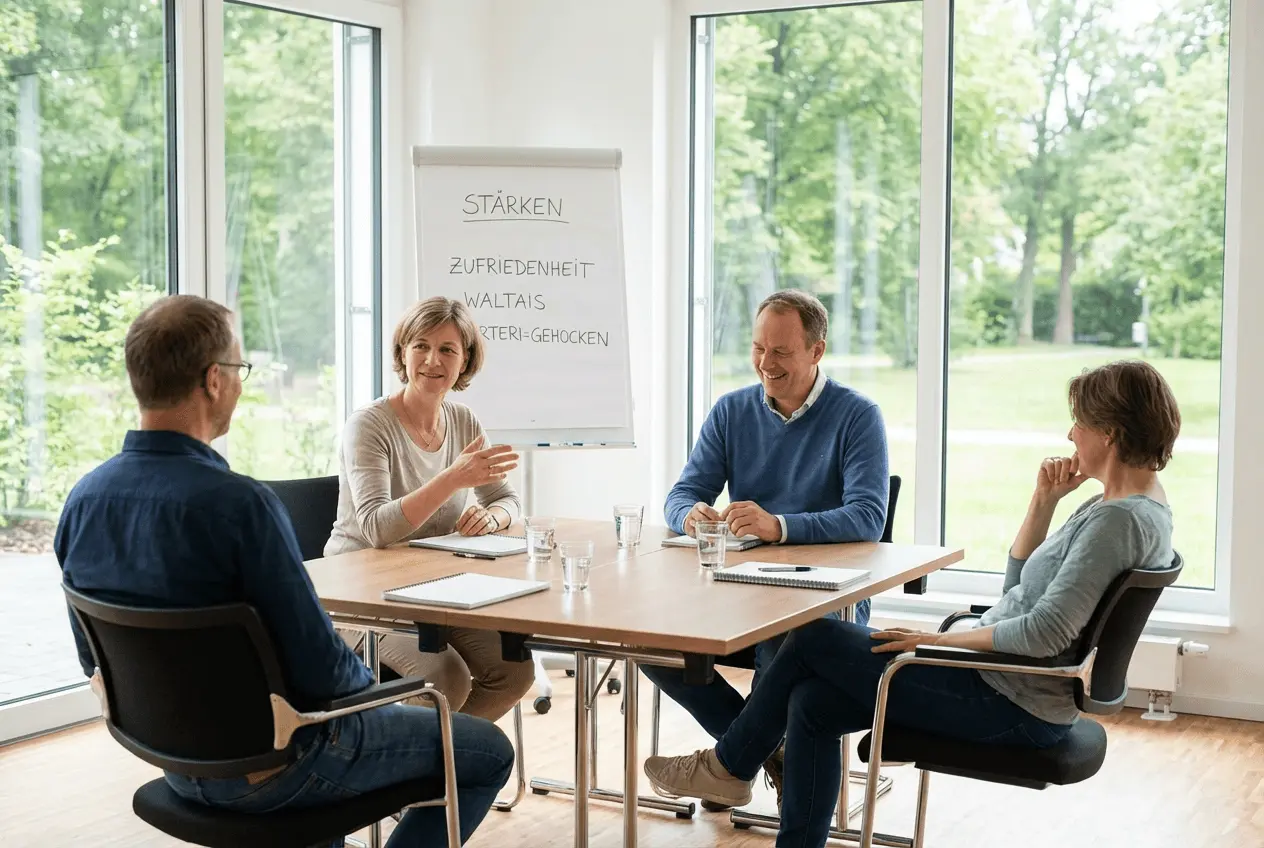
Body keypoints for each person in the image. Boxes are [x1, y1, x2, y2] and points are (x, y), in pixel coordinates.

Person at [644, 359, 1180, 848]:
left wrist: (934, 641)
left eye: (1079, 423)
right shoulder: (1130, 505)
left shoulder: (1116, 521)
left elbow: (1043, 633)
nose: (1070, 434)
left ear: (1108, 434)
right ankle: (760, 800)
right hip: (999, 681)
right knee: (810, 702)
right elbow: (1016, 591)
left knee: (812, 634)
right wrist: (1042, 501)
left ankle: (729, 764)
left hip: (1011, 703)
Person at [54, 295, 512, 848]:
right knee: (486, 752)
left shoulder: (82, 501)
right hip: (282, 765)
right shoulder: (241, 506)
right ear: (215, 381)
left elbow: (94, 660)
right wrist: (373, 698)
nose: (242, 385)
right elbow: (322, 672)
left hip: (171, 761)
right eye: (241, 370)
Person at [647, 288, 890, 806]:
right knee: (650, 642)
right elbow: (683, 492)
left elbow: (869, 517)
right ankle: (767, 749)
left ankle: (737, 758)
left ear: (816, 352)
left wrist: (780, 525)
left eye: (780, 351)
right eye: (758, 348)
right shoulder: (732, 410)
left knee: (788, 648)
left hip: (820, 601)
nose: (765, 363)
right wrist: (689, 516)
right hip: (736, 591)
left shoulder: (857, 416)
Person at [325, 296, 534, 720]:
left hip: (432, 589)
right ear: (403, 353)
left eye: (447, 349)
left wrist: (492, 516)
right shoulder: (369, 424)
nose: (431, 360)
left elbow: (507, 500)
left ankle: (447, 771)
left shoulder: (464, 422)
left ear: (465, 361)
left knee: (514, 670)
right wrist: (453, 479)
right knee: (445, 677)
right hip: (358, 596)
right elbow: (376, 529)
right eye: (420, 345)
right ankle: (423, 774)